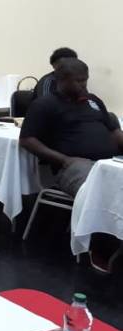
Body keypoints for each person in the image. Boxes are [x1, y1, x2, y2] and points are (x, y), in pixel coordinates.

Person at [20, 58, 123, 273]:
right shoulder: (45, 105)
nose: (84, 86)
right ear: (62, 80)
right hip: (72, 165)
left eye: (85, 81)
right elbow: (27, 140)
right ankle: (101, 245)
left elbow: (114, 131)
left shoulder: (93, 101)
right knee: (98, 189)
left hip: (107, 162)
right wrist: (64, 160)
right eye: (79, 81)